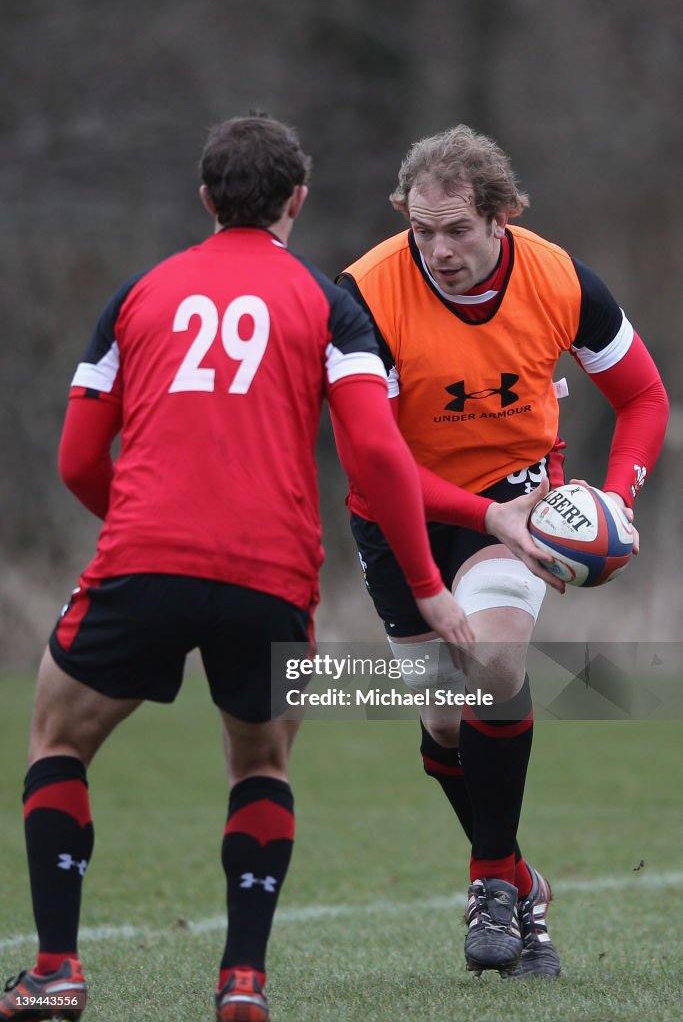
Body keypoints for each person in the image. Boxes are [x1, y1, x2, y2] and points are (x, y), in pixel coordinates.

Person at [0, 115, 486, 1022]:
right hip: (269, 573)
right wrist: (427, 586)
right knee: (259, 763)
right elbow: (378, 461)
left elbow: (75, 456)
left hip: (142, 558)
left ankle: (56, 970)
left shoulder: (140, 293)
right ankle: (242, 983)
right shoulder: (329, 304)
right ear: (295, 201)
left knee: (58, 741)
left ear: (204, 199)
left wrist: (143, 532)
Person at [336, 124, 669, 978]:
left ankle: (489, 883)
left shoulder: (558, 278)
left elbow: (642, 398)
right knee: (444, 721)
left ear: (502, 217)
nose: (436, 250)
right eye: (420, 229)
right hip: (400, 517)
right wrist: (488, 521)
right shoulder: (365, 295)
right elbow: (375, 469)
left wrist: (610, 502)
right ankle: (524, 882)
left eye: (456, 230)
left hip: (518, 505)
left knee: (491, 661)